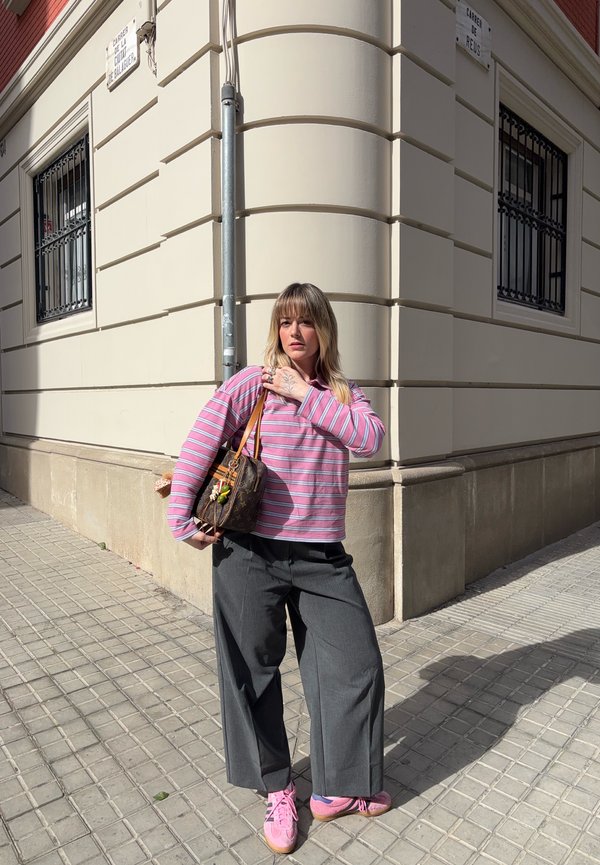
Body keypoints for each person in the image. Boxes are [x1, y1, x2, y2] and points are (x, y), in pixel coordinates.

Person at [167, 282, 390, 854]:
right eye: (286, 322)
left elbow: (370, 439)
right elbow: (202, 439)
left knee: (355, 663)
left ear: (323, 330)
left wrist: (306, 393)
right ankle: (277, 787)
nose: (295, 332)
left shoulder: (341, 392)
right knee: (250, 672)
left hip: (322, 559)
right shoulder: (252, 383)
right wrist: (182, 519)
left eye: (306, 322)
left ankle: (337, 785)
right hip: (249, 554)